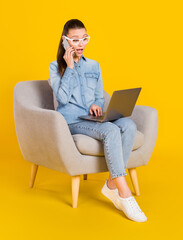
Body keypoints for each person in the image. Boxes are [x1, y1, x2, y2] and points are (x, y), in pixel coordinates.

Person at [49, 19, 147, 222]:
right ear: (65, 41)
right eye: (75, 40)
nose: (81, 44)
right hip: (72, 122)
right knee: (111, 131)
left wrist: (96, 105)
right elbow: (62, 99)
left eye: (84, 39)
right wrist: (69, 67)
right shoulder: (55, 67)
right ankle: (124, 194)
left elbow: (99, 97)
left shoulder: (94, 65)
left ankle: (111, 185)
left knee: (128, 125)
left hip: (92, 119)